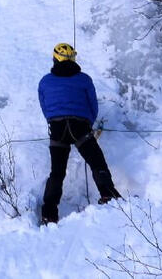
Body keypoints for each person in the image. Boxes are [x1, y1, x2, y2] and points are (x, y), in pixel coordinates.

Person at [37, 42, 121, 225]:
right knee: (96, 162)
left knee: (57, 173)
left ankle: (48, 214)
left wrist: (53, 120)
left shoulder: (45, 81)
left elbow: (45, 107)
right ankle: (109, 195)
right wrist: (88, 123)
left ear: (55, 59)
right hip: (80, 126)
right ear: (73, 58)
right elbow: (92, 105)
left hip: (57, 128)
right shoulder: (84, 79)